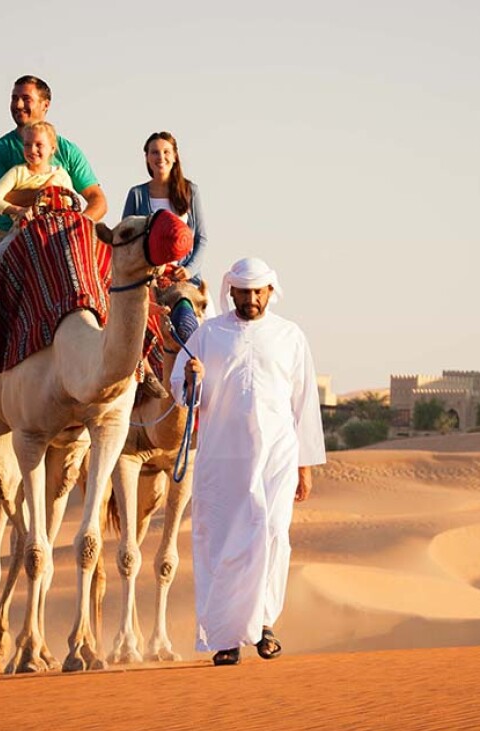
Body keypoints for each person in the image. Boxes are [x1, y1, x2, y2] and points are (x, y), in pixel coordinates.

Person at [169, 257, 326, 666]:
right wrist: (191, 377)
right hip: (221, 459)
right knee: (220, 544)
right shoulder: (208, 335)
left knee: (273, 534)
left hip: (277, 455)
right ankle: (225, 638)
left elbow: (304, 404)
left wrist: (304, 466)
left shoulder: (290, 336)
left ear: (271, 292)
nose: (252, 299)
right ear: (231, 291)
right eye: (244, 291)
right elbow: (181, 392)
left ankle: (266, 625)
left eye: (259, 291)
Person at [0, 74, 106, 346]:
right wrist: (42, 196)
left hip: (65, 234)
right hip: (12, 233)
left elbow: (97, 200)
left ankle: (141, 366)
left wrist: (77, 227)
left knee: (123, 275)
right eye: (14, 98)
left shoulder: (67, 151)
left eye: (26, 98)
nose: (18, 104)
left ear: (45, 105)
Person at [0, 121, 76, 348]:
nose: (32, 150)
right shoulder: (18, 172)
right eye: (28, 145)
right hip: (21, 233)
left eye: (39, 145)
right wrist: (17, 210)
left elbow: (72, 203)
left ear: (53, 148)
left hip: (53, 234)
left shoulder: (61, 176)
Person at [121, 131, 209, 292]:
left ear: (175, 156)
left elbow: (201, 239)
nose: (160, 157)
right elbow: (125, 238)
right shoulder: (137, 194)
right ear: (147, 158)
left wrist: (189, 270)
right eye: (154, 152)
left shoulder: (191, 192)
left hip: (184, 281)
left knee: (192, 315)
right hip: (147, 281)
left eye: (166, 152)